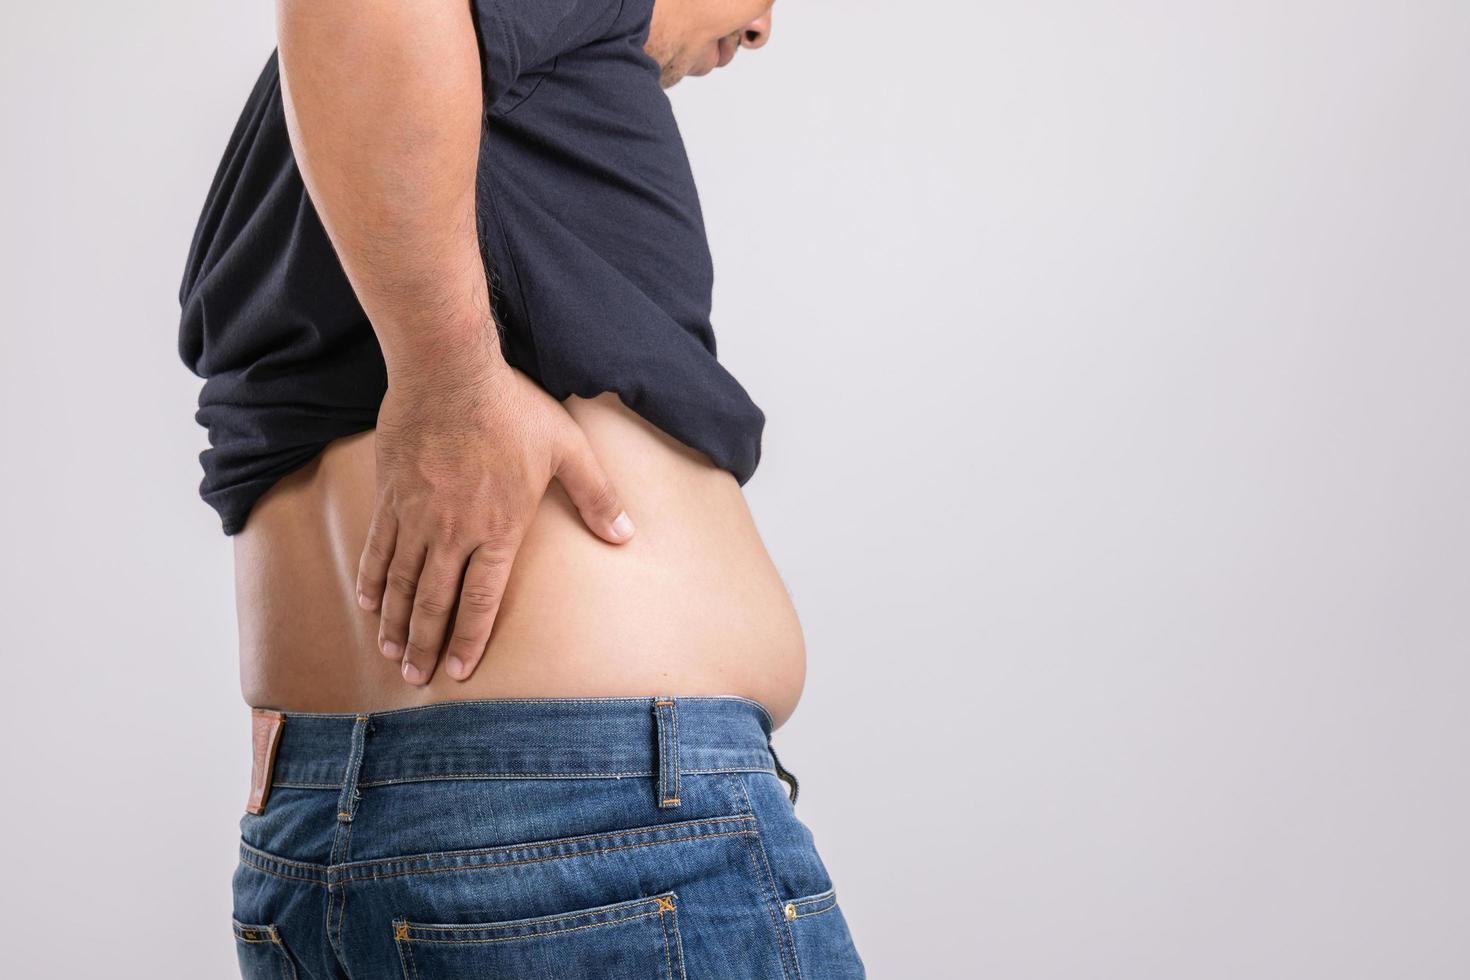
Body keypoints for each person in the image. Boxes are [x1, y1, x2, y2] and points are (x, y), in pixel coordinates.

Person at [178, 0, 866, 976]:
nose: (759, 29)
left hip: (317, 835)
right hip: (597, 826)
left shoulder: (338, 135)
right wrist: (450, 374)